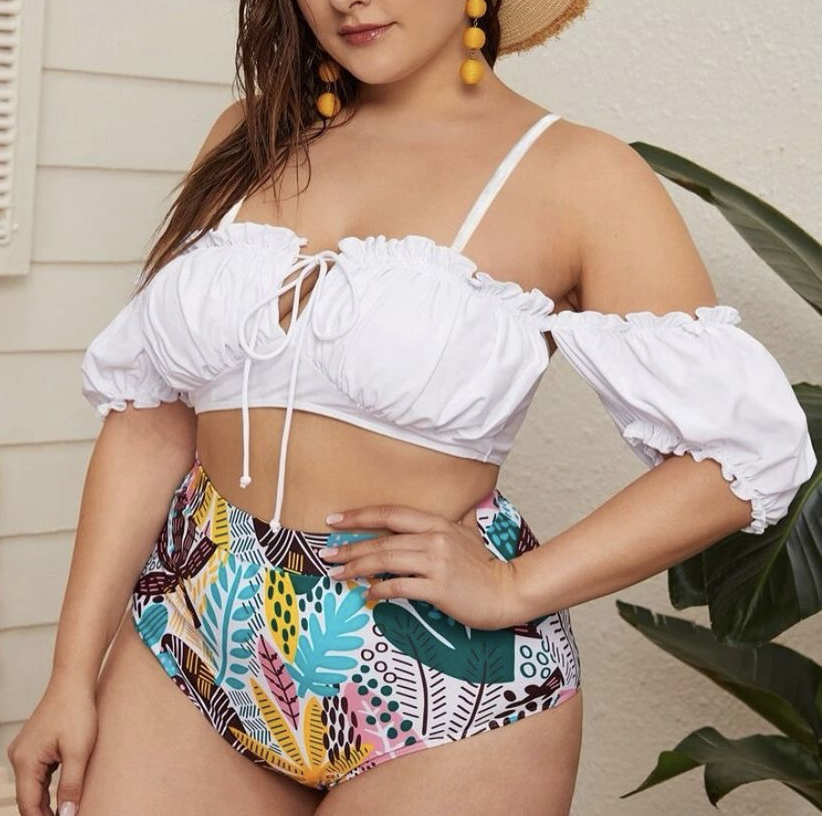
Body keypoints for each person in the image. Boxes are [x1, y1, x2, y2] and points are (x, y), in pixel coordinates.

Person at [7, 1, 816, 815]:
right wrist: (69, 676)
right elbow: (151, 418)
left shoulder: (578, 174)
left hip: (445, 691)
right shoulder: (247, 135)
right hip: (196, 626)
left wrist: (515, 587)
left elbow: (742, 456)